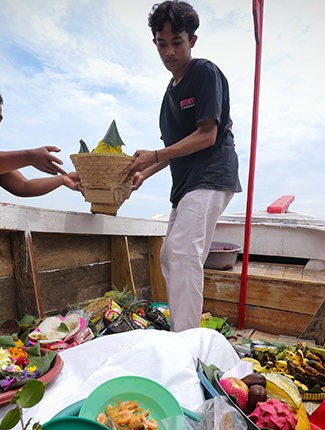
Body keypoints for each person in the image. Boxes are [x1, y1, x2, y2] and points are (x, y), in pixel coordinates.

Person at [122, 1, 241, 332]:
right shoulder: (168, 95)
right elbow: (172, 150)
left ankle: (186, 343)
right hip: (186, 183)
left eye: (178, 42)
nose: (170, 51)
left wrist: (155, 157)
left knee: (183, 251)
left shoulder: (205, 73)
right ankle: (183, 329)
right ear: (155, 43)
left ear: (192, 41)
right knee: (168, 256)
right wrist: (144, 171)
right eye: (163, 43)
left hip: (212, 174)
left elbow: (207, 135)